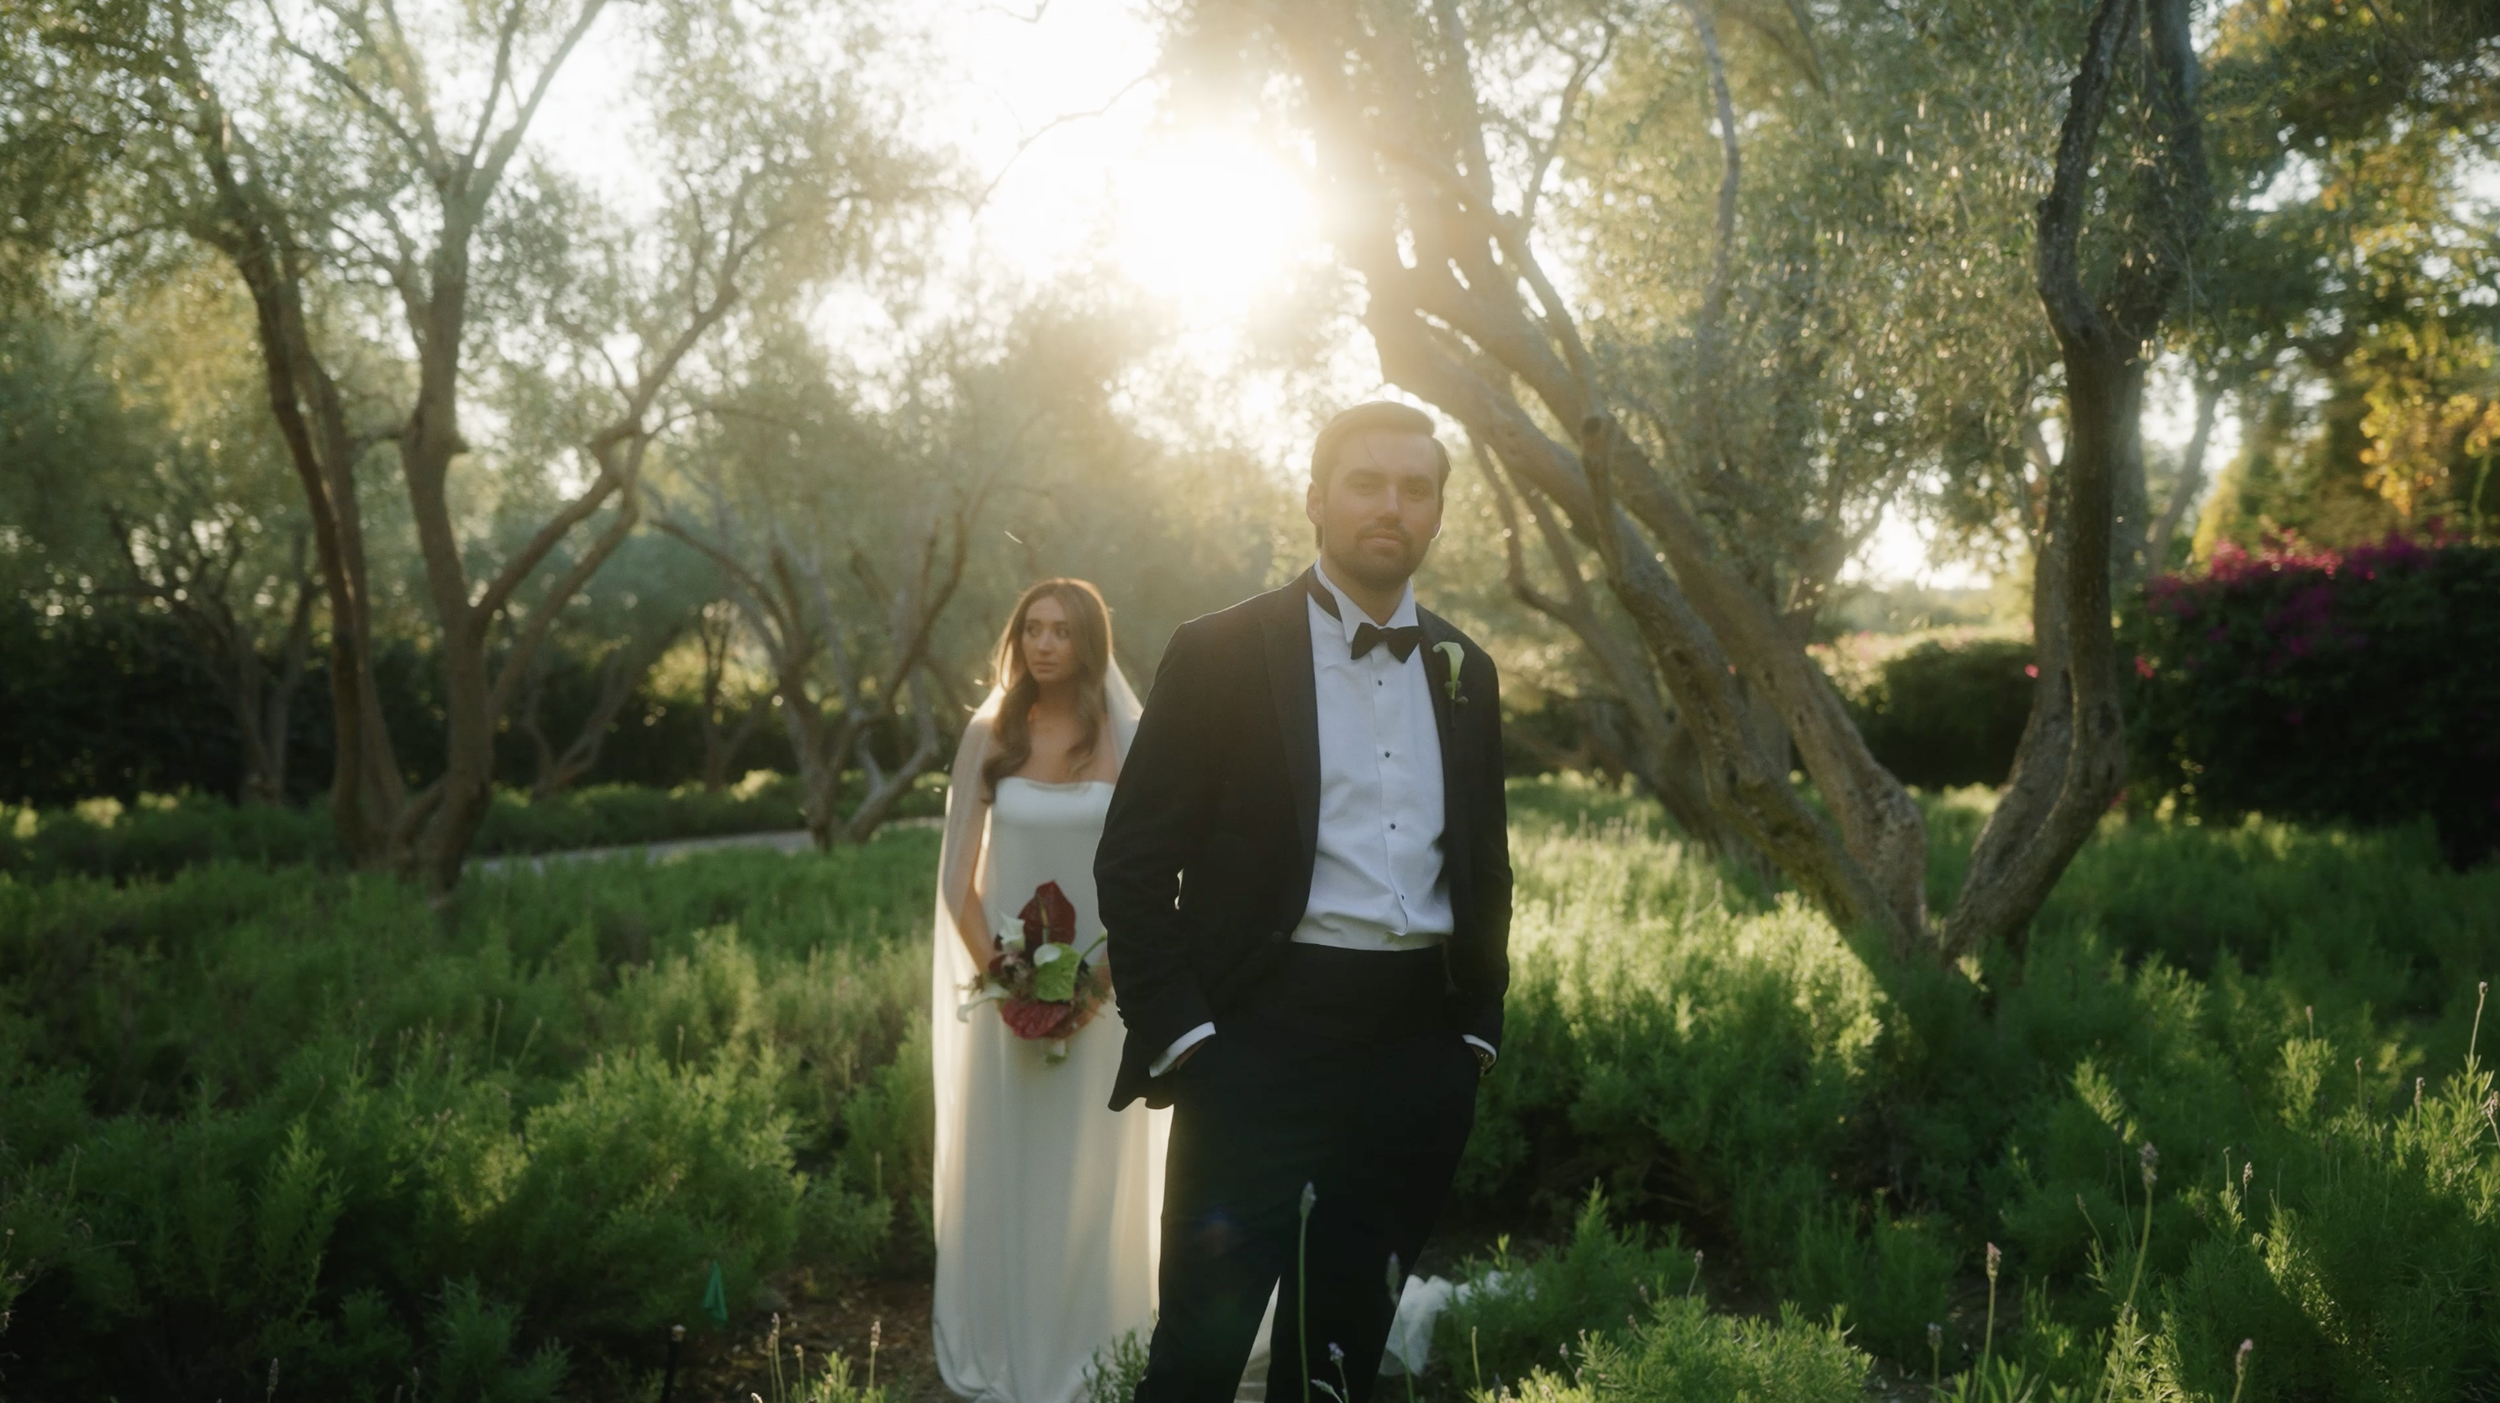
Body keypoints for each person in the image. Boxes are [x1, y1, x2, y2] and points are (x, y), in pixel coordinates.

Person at [1096, 402, 1513, 1403]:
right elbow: (1134, 858)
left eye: (1416, 489)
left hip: (1416, 1051)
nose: (1391, 506)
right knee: (1199, 1348)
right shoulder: (1220, 651)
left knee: (1339, 1353)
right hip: (1252, 1040)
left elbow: (1485, 863)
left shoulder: (1468, 669)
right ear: (1317, 498)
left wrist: (1475, 1034)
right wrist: (1185, 1035)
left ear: (1438, 513)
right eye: (1367, 482)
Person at [931, 578, 1169, 1403]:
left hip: (1105, 995)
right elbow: (956, 883)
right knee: (1019, 1167)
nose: (1042, 643)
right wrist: (1011, 981)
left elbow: (1154, 876)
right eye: (1031, 627)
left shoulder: (1127, 737)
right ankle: (1015, 1340)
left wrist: (1096, 983)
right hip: (1010, 998)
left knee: (1094, 1174)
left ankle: (1098, 1343)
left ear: (1088, 642)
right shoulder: (988, 734)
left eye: (1061, 630)